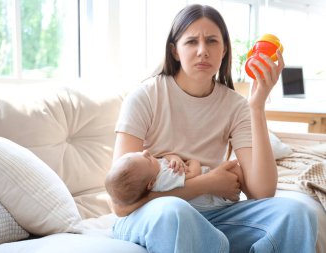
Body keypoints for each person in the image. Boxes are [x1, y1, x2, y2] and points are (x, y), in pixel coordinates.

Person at [109, 4, 317, 253]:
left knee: (298, 212)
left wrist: (257, 106)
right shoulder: (145, 96)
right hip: (154, 216)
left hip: (214, 216)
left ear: (224, 49)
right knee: (173, 212)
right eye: (191, 42)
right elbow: (120, 205)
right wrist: (207, 183)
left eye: (211, 41)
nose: (202, 51)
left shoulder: (234, 105)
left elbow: (262, 192)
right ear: (175, 51)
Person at [105, 150, 243, 209]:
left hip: (212, 190)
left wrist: (173, 158)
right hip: (213, 196)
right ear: (151, 184)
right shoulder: (163, 179)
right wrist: (193, 161)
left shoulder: (151, 172)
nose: (146, 152)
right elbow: (194, 174)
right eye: (146, 159)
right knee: (235, 169)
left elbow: (165, 158)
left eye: (139, 154)